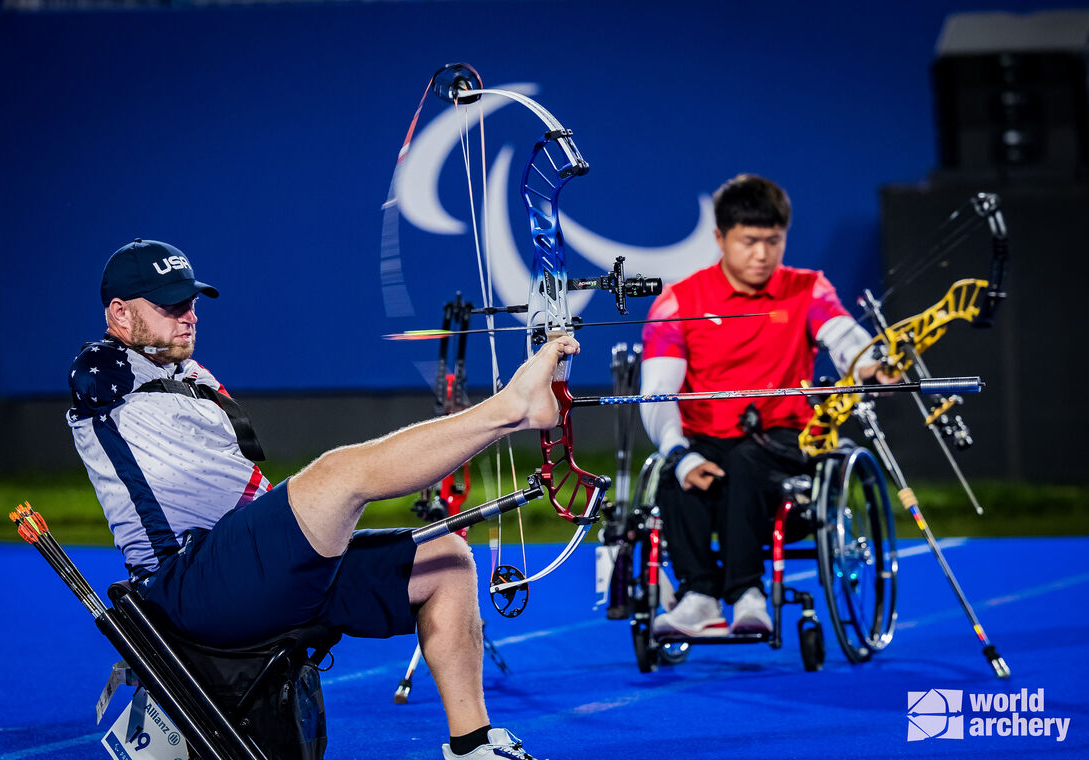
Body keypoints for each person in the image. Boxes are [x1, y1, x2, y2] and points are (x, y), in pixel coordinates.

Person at [67, 239, 566, 760]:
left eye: (190, 303)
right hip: (185, 584)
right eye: (170, 306)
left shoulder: (189, 376)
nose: (189, 316)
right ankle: (511, 409)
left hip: (250, 570)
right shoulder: (104, 372)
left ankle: (473, 746)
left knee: (446, 561)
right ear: (119, 314)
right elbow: (91, 373)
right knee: (337, 475)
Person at [640, 175, 892, 638]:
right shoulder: (678, 301)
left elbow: (844, 337)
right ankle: (699, 597)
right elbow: (658, 391)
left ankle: (747, 593)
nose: (762, 254)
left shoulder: (808, 289)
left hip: (785, 441)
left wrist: (871, 364)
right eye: (749, 241)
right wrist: (678, 453)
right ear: (720, 238)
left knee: (746, 462)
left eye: (773, 241)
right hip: (706, 439)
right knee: (675, 476)